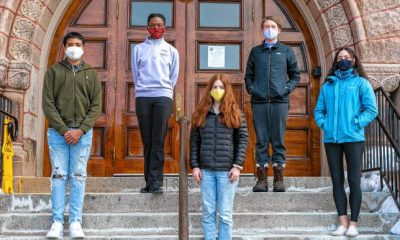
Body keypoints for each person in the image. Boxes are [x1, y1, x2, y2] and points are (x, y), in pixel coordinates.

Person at [42, 32, 102, 239]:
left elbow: (96, 106)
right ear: (64, 47)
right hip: (58, 133)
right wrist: (64, 129)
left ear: (84, 47)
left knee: (78, 176)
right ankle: (57, 222)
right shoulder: (54, 72)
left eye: (77, 44)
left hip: (82, 134)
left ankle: (76, 221)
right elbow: (48, 103)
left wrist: (81, 129)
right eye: (70, 44)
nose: (74, 47)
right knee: (58, 176)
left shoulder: (91, 74)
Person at [314, 47, 378, 237]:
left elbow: (371, 110)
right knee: (337, 181)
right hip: (332, 139)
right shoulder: (328, 85)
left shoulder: (361, 83)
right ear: (336, 62)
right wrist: (324, 124)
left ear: (353, 60)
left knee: (354, 180)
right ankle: (342, 221)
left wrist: (357, 123)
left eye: (346, 57)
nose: (343, 60)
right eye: (340, 57)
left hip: (353, 138)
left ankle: (353, 224)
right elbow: (319, 111)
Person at [190, 74, 249, 240]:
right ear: (209, 90)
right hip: (206, 171)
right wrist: (195, 166)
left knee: (224, 214)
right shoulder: (200, 113)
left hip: (227, 173)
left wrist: (237, 166)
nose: (217, 90)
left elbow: (243, 139)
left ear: (226, 90)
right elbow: (194, 141)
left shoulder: (235, 113)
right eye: (214, 87)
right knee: (208, 213)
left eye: (221, 87)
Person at [244, 16, 300, 192]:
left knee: (278, 139)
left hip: (279, 102)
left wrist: (285, 89)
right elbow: (248, 76)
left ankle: (278, 179)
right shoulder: (256, 52)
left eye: (273, 26)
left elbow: (295, 75)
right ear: (262, 30)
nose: (269, 29)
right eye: (266, 26)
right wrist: (253, 89)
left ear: (279, 30)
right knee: (261, 140)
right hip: (259, 102)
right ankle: (261, 180)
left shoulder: (286, 51)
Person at [131, 13, 179, 194]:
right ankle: (148, 181)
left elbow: (173, 75)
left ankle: (157, 182)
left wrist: (165, 90)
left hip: (163, 96)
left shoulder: (171, 50)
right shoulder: (138, 49)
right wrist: (143, 89)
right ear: (147, 27)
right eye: (153, 25)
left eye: (159, 25)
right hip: (143, 96)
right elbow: (136, 74)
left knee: (158, 140)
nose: (156, 28)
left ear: (164, 28)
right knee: (148, 140)